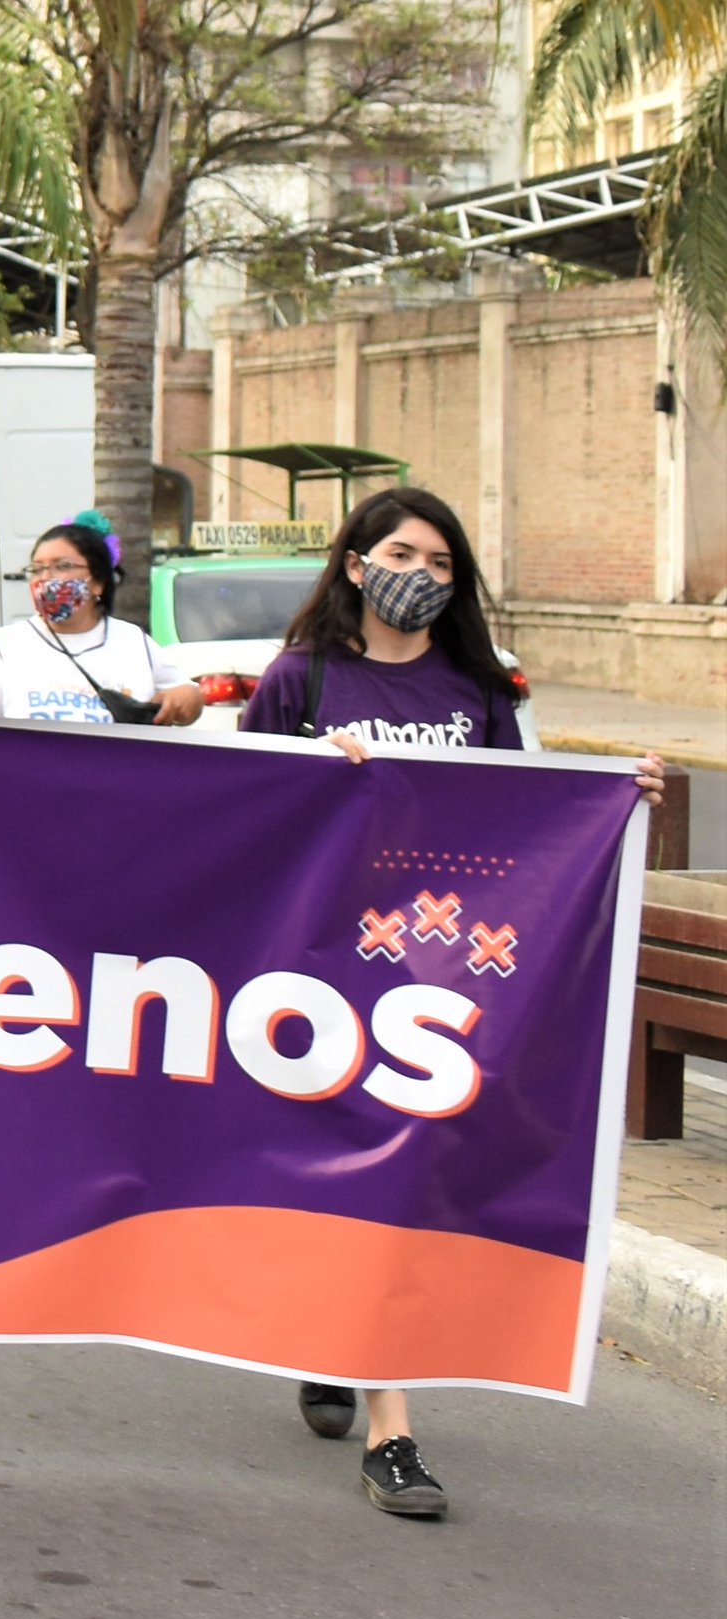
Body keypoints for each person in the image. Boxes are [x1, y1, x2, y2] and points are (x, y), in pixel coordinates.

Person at [242, 485, 662, 1519]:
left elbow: (527, 816)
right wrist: (308, 772)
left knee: (407, 1166)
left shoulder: (476, 688)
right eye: (401, 555)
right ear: (353, 564)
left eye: (440, 563)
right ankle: (338, 1344)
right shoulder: (301, 678)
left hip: (442, 974)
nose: (420, 576)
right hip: (327, 965)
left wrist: (620, 792)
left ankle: (389, 1426)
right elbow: (241, 805)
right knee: (335, 1165)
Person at [0, 516, 200, 729]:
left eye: (62, 566)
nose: (46, 578)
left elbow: (189, 697)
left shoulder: (132, 642)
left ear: (98, 582)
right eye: (37, 569)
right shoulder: (8, 645)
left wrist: (184, 700)